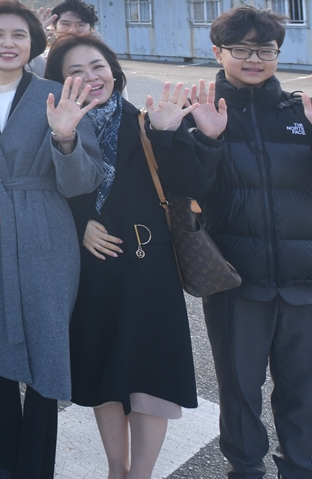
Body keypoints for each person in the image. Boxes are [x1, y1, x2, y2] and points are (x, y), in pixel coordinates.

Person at [193, 7, 312, 479]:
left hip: (307, 275)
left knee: (305, 392)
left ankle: (301, 470)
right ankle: (245, 470)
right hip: (235, 278)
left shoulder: (303, 112)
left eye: (265, 50)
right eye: (241, 49)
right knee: (239, 391)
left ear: (278, 54)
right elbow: (185, 189)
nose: (254, 59)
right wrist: (203, 140)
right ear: (218, 52)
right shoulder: (203, 112)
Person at [0, 0, 103, 479]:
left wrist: (66, 140)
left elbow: (82, 182)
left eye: (18, 35)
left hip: (45, 234)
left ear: (34, 43)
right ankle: (3, 459)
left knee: (46, 346)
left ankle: (34, 466)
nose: (7, 44)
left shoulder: (58, 94)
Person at [46, 35, 221, 479]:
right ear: (61, 82)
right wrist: (80, 224)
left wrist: (168, 135)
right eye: (75, 71)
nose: (90, 77)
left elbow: (193, 184)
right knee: (102, 373)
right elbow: (45, 193)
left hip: (150, 266)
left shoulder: (147, 119)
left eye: (97, 66)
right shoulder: (58, 125)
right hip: (93, 269)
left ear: (114, 71)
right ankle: (115, 468)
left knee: (151, 376)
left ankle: (140, 474)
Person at [28, 0, 98, 77]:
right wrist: (32, 44)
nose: (72, 31)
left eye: (80, 25)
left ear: (92, 29)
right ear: (54, 28)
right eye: (65, 24)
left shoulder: (101, 60)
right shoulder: (37, 60)